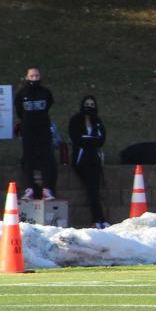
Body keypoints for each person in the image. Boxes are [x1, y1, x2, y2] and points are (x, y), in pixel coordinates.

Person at [15, 66, 56, 200]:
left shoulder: (45, 92)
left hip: (43, 129)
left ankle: (47, 189)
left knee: (46, 158)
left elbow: (49, 104)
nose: (34, 78)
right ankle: (29, 188)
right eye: (32, 76)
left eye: (37, 76)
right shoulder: (22, 93)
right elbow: (19, 110)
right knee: (28, 158)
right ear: (27, 77)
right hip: (28, 129)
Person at [69, 94, 109, 228]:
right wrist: (91, 139)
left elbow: (101, 140)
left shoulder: (97, 121)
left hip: (94, 159)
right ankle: (97, 219)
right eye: (87, 104)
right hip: (82, 159)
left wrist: (88, 139)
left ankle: (100, 219)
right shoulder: (75, 120)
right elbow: (77, 139)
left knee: (95, 190)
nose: (89, 107)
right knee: (91, 189)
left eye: (92, 105)